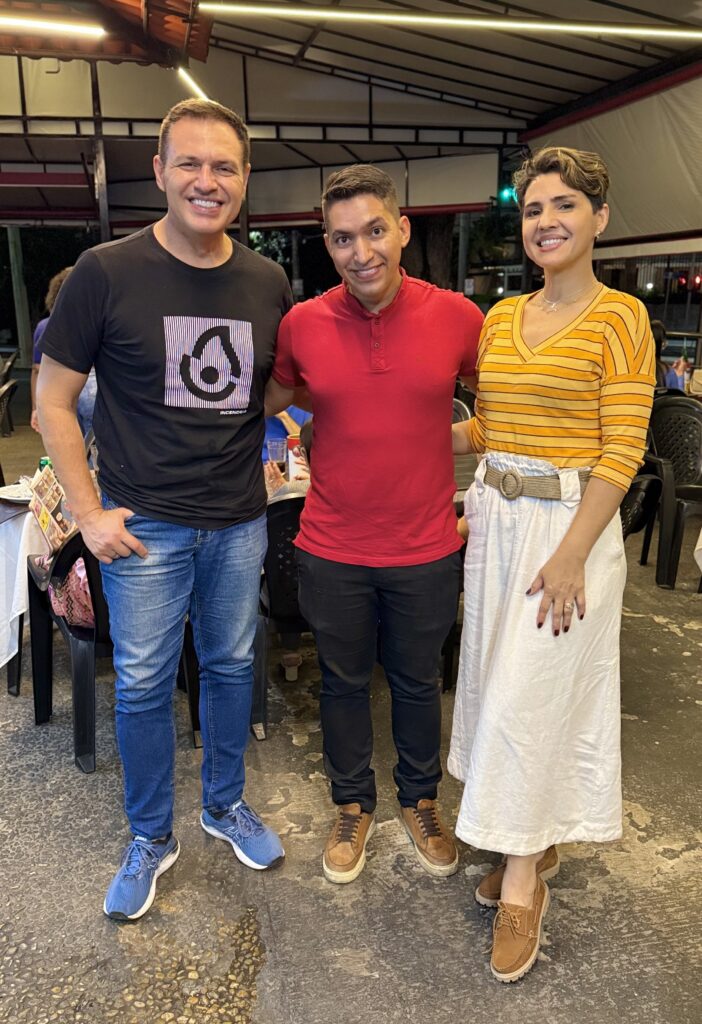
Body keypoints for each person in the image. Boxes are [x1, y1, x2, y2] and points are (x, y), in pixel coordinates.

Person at [36, 98, 291, 921]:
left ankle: (223, 805)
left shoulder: (267, 281)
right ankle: (151, 834)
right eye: (189, 163)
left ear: (244, 179)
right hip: (142, 526)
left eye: (224, 166)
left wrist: (271, 442)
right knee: (143, 683)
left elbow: (269, 390)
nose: (206, 181)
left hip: (239, 521)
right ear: (159, 171)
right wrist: (89, 513)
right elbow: (52, 400)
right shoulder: (105, 271)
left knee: (231, 666)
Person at [448, 147, 655, 982]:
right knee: (495, 687)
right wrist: (393, 432)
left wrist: (572, 554)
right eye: (533, 209)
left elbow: (623, 448)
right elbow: (489, 429)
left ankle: (522, 883)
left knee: (527, 701)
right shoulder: (500, 317)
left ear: (598, 219)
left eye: (565, 205)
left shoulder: (621, 318)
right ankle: (532, 839)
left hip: (569, 531)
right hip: (496, 521)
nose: (546, 221)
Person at [266, 164, 484, 884]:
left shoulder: (459, 317)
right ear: (327, 244)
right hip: (332, 547)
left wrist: (453, 443)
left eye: (374, 231)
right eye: (342, 238)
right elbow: (271, 399)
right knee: (342, 682)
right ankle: (352, 803)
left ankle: (420, 800)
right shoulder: (302, 324)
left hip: (426, 546)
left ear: (403, 230)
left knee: (419, 682)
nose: (361, 252)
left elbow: (505, 403)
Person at [30, 268, 98, 436]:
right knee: (94, 446)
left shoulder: (44, 327)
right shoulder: (95, 323)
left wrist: (36, 408)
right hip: (93, 388)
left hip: (56, 391)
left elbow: (37, 370)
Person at [650, 319, 669, 388]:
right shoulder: (668, 371)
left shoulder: (634, 368)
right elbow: (677, 393)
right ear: (662, 343)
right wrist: (680, 375)